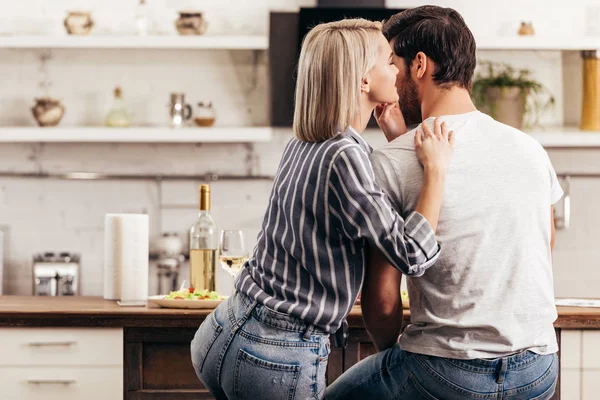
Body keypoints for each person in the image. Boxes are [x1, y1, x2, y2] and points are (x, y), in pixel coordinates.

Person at [190, 18, 455, 400]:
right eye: (386, 60)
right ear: (364, 81)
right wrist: (435, 171)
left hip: (223, 331)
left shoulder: (309, 140)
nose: (396, 67)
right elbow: (411, 254)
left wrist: (397, 139)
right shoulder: (344, 155)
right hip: (277, 353)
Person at [325, 6, 562, 400]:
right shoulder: (529, 149)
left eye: (391, 62)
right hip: (537, 371)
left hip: (446, 372)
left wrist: (393, 357)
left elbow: (382, 301)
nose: (389, 75)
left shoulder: (392, 160)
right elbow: (544, 242)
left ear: (419, 64)